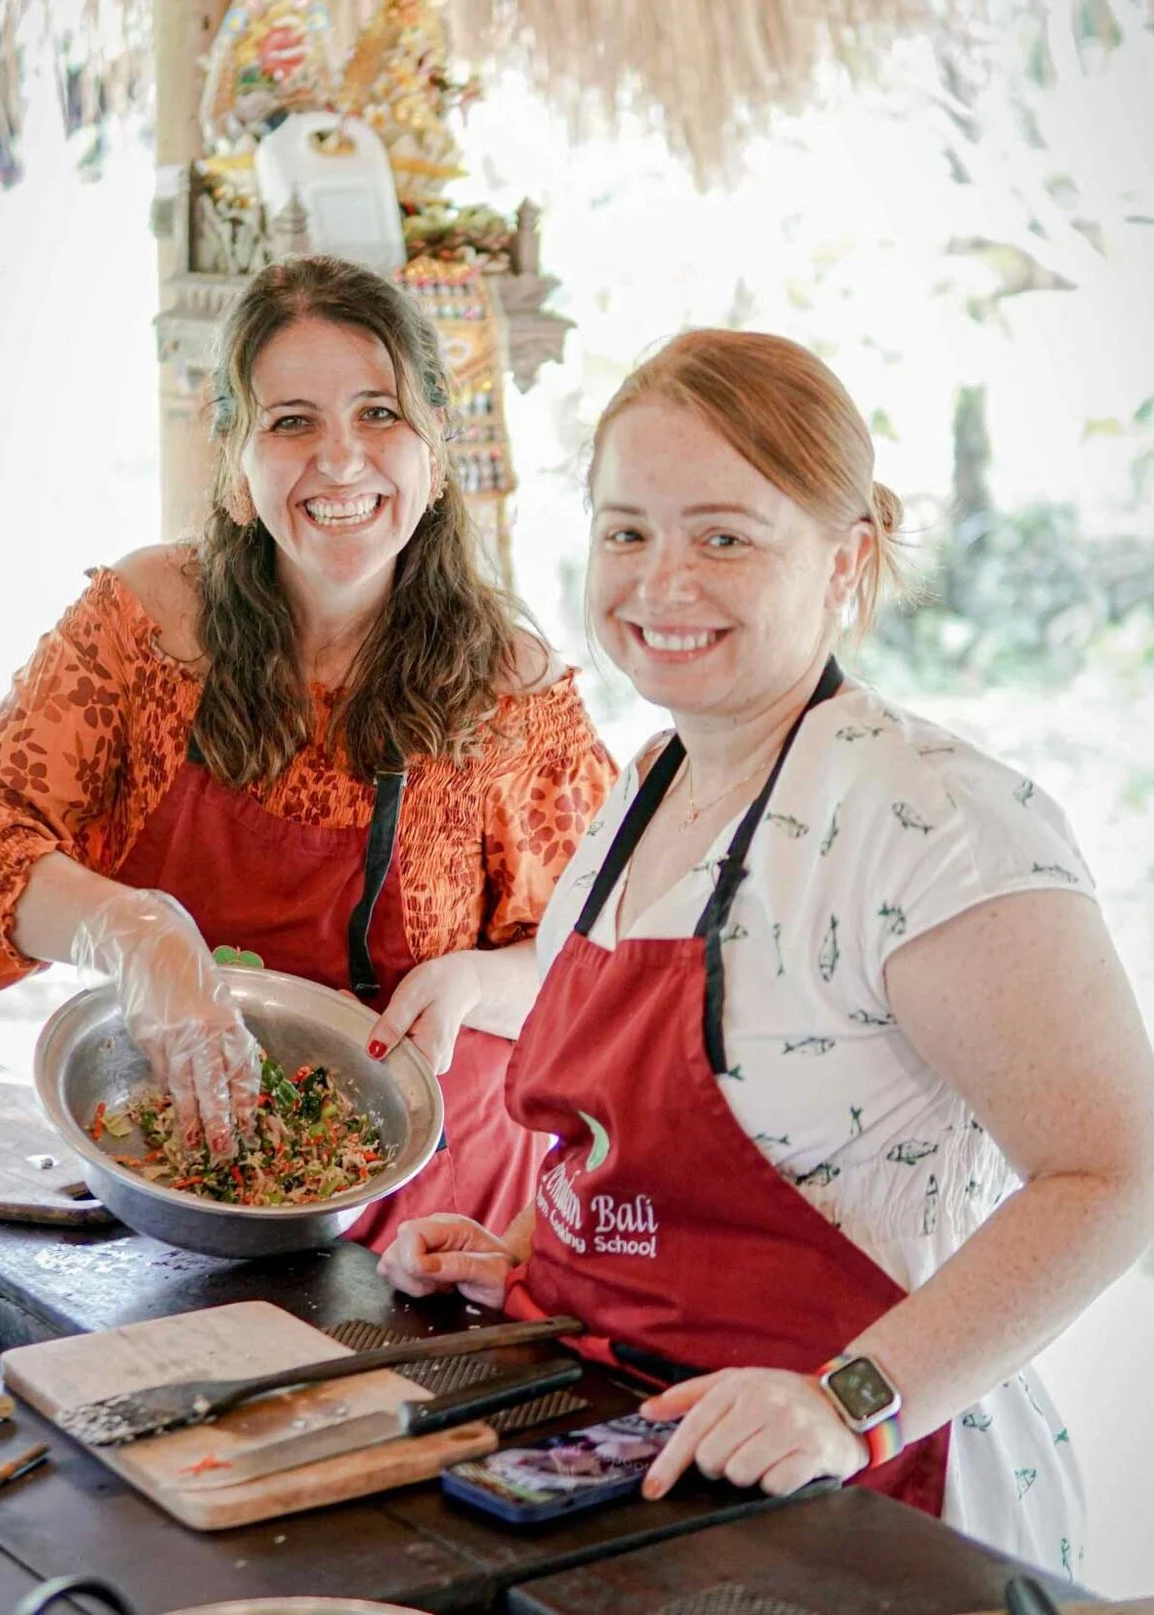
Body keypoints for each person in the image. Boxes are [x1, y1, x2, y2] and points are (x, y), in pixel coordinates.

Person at [378, 331, 1154, 1575]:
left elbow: (1113, 1176)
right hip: (617, 1453)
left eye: (724, 535)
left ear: (844, 558)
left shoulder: (927, 817)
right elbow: (630, 1155)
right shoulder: (646, 786)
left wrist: (852, 1399)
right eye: (625, 531)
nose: (659, 580)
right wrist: (523, 1249)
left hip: (855, 1498)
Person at [0, 256, 616, 1248]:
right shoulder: (147, 624)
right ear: (236, 471)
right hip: (178, 1164)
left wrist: (477, 983)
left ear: (437, 458)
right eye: (290, 422)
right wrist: (138, 936)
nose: (338, 461)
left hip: (446, 1207)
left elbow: (603, 959)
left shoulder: (514, 688)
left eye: (379, 414)